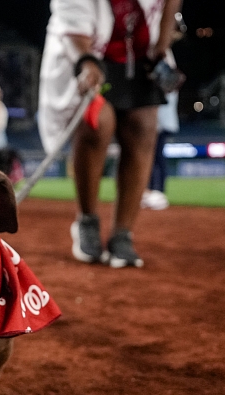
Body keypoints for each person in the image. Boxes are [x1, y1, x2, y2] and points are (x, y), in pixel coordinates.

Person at [38, 0, 182, 268]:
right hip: (91, 53)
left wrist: (162, 45)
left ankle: (122, 235)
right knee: (97, 123)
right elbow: (73, 31)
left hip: (140, 53)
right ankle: (87, 220)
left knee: (144, 127)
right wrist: (87, 64)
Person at [142, 90, 179, 210]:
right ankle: (152, 191)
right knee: (154, 158)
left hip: (161, 124)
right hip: (161, 123)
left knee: (157, 157)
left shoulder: (166, 83)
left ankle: (158, 192)